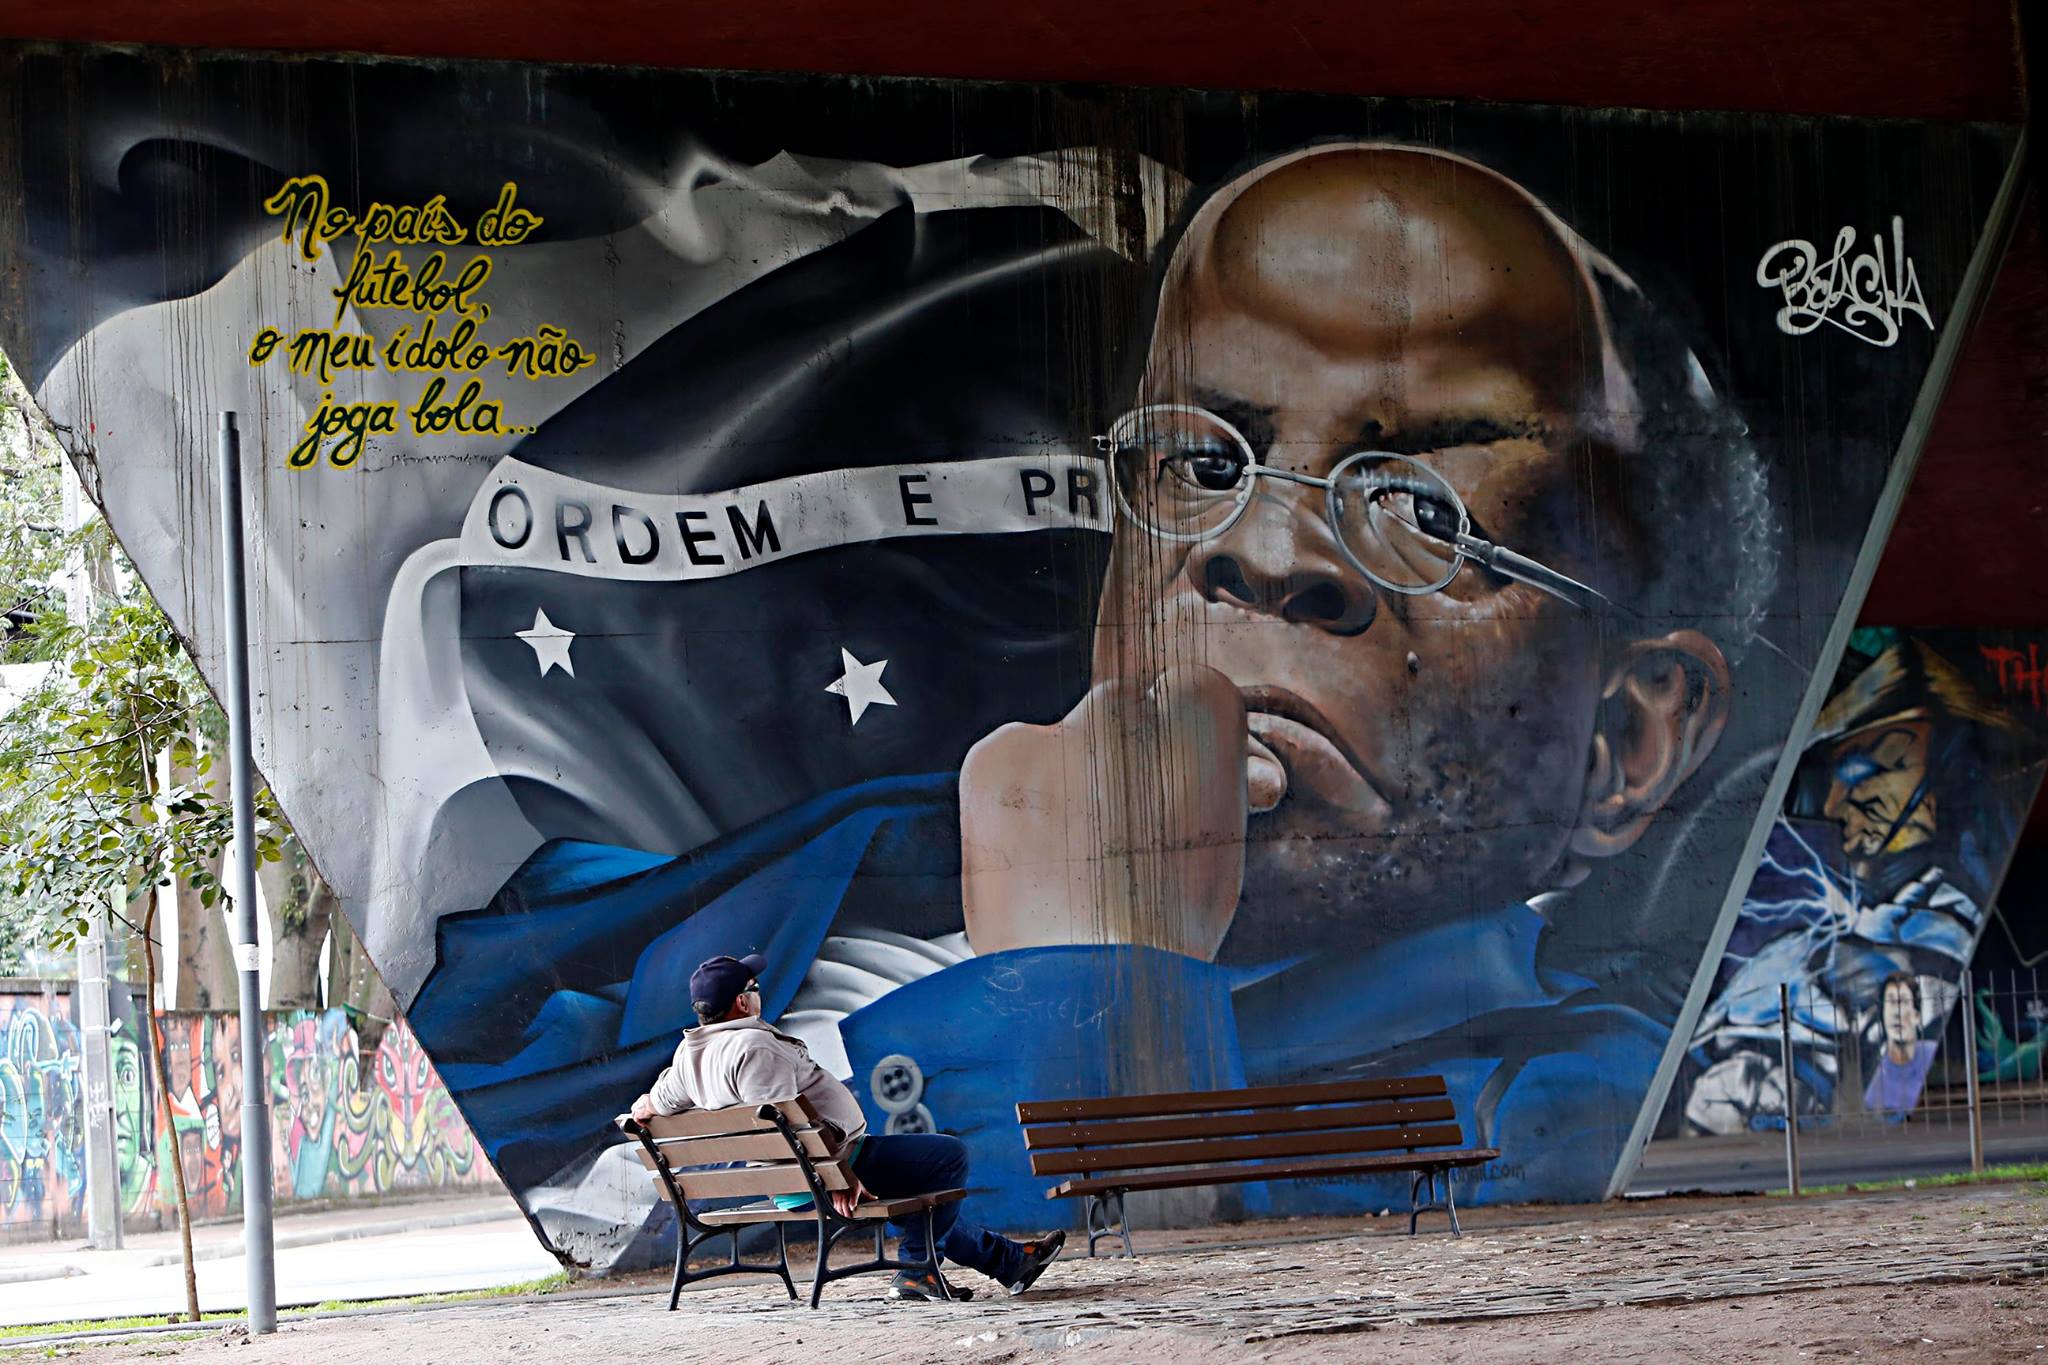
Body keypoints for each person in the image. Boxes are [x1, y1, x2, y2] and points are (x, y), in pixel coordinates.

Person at [413, 140, 1778, 1235]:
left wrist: (1093, 967)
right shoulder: (844, 859)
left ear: (1626, 740)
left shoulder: (1571, 1088)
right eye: (1200, 466)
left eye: (1417, 504)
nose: (1258, 551)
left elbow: (1143, 1248)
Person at [629, 953, 1064, 1303]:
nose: (758, 993)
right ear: (741, 1004)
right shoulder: (752, 1047)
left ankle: (1010, 1262)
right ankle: (918, 1272)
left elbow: (655, 1103)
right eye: (753, 988)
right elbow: (787, 1124)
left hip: (806, 1171)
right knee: (948, 1156)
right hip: (824, 1169)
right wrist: (838, 1176)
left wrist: (644, 1104)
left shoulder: (689, 1056)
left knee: (922, 1201)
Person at [1863, 972, 1936, 1116]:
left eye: (1903, 1002)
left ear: (1917, 1015)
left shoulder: (1933, 1054)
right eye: (1890, 1002)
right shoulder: (1874, 1078)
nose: (1896, 1012)